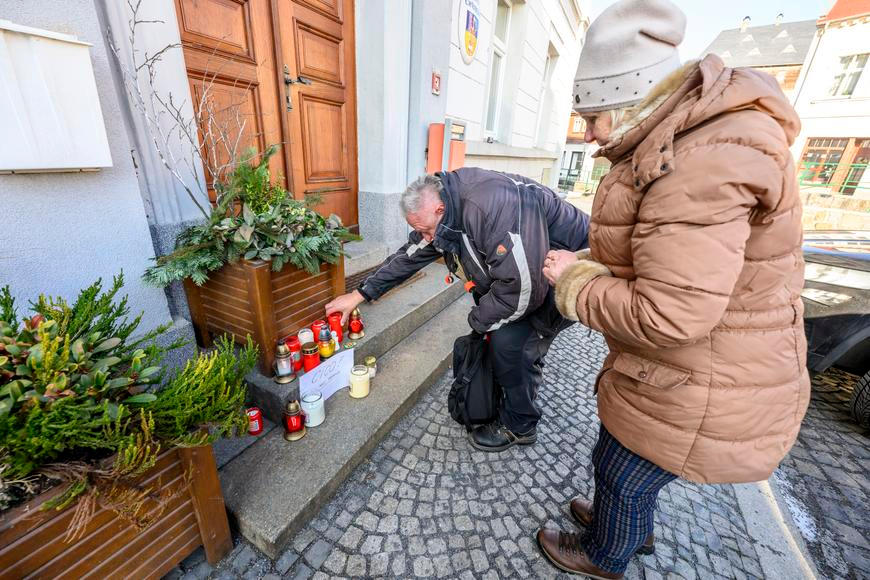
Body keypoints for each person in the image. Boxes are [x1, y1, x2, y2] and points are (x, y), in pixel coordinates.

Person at [535, 0, 810, 577]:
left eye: (593, 117)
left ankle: (606, 553)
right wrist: (591, 258)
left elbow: (669, 313)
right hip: (700, 364)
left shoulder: (697, 159)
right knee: (629, 461)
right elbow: (665, 253)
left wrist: (574, 282)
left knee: (623, 469)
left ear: (626, 99)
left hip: (705, 371)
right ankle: (626, 526)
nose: (588, 136)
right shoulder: (691, 137)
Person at [326, 168, 589, 451]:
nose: (426, 237)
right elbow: (410, 255)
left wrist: (479, 321)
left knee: (511, 343)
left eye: (426, 230)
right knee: (505, 338)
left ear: (440, 209)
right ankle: (522, 377)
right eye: (419, 230)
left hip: (565, 275)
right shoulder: (443, 213)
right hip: (524, 275)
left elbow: (523, 290)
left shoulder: (491, 208)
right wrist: (359, 294)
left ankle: (520, 426)